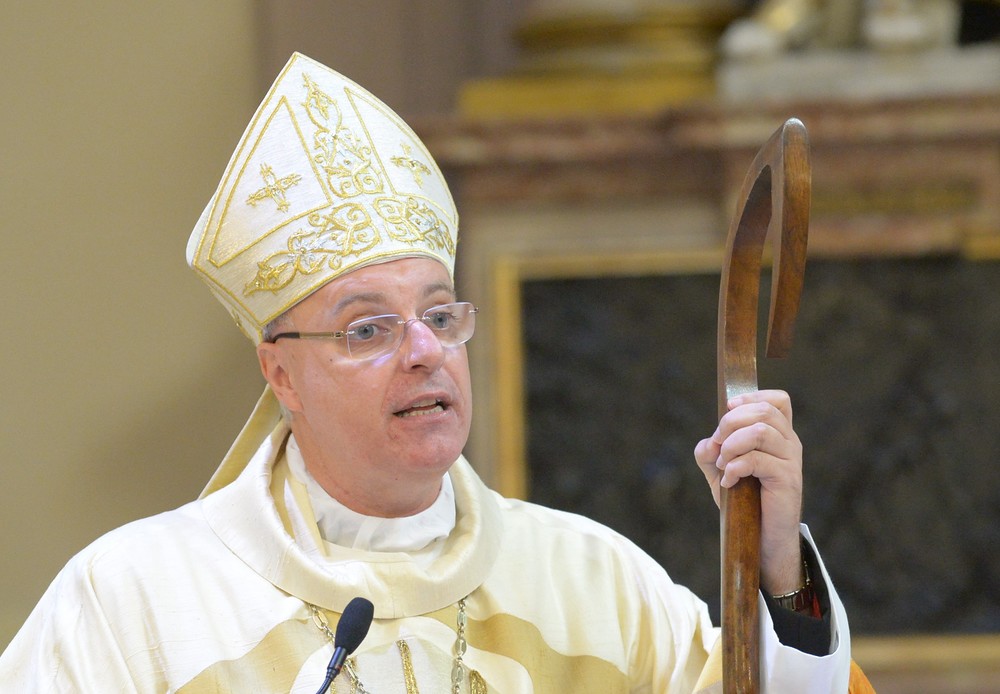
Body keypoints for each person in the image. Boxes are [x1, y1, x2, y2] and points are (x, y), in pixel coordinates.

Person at [0, 52, 853, 692]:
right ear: (281, 375)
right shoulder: (133, 606)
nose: (424, 350)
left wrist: (777, 564)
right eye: (368, 328)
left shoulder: (595, 584)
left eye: (440, 316)